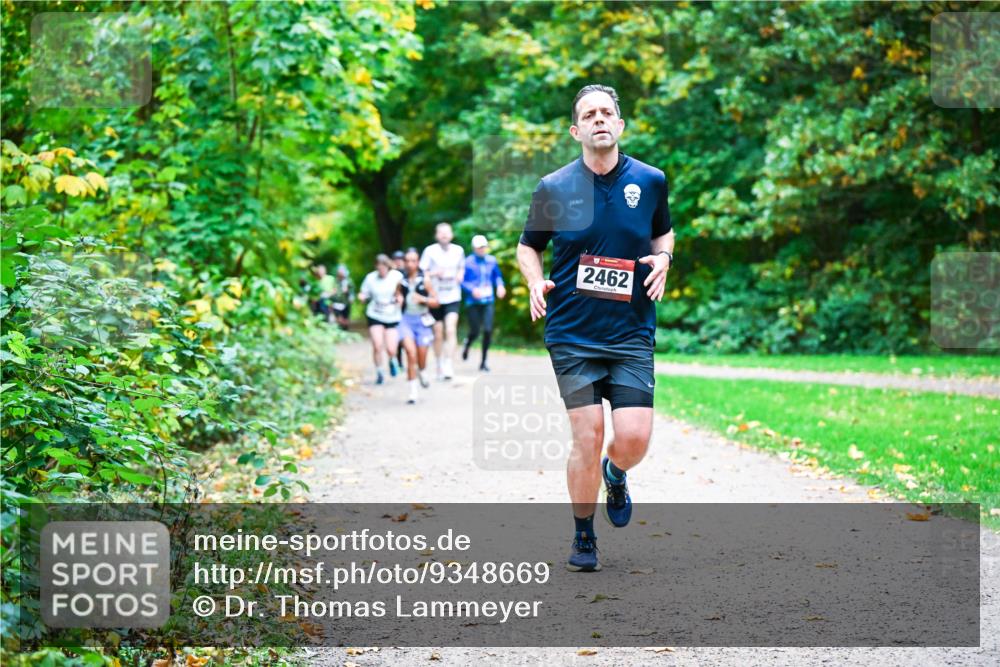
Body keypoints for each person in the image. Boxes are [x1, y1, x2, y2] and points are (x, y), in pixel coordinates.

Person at [516, 84, 674, 572]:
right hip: (572, 334)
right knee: (587, 434)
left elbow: (663, 232)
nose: (599, 119)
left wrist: (664, 258)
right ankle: (584, 535)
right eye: (589, 114)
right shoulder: (554, 187)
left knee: (634, 439)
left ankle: (616, 472)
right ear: (576, 130)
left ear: (620, 125)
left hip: (630, 332)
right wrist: (535, 281)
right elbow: (528, 246)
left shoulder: (650, 180)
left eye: (607, 112)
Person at [420, 223, 465, 380]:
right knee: (438, 333)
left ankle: (448, 363)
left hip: (452, 296)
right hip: (435, 298)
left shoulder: (458, 250)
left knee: (451, 329)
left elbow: (461, 267)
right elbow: (422, 273)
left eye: (447, 232)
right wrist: (434, 273)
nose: (444, 235)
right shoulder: (429, 251)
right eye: (441, 232)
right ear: (436, 235)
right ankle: (439, 363)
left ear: (452, 234)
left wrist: (460, 274)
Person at [397, 248, 439, 403]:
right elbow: (397, 294)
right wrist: (398, 299)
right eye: (407, 261)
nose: (410, 264)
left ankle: (422, 370)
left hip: (422, 321)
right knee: (410, 353)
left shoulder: (425, 280)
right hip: (405, 321)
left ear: (418, 262)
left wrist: (423, 299)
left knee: (421, 356)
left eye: (413, 261)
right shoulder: (401, 280)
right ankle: (413, 392)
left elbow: (436, 301)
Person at [461, 234, 506, 372]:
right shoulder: (467, 262)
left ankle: (483, 362)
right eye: (479, 247)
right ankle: (467, 344)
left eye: (484, 247)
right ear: (474, 248)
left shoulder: (492, 260)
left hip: (488, 300)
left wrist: (500, 286)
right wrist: (472, 290)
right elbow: (461, 281)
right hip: (473, 302)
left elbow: (497, 276)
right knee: (475, 331)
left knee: (487, 330)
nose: (482, 249)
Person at [357, 254, 404, 384]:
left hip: (392, 315)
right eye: (379, 267)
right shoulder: (370, 278)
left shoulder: (397, 276)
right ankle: (379, 372)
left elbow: (402, 293)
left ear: (388, 266)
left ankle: (392, 360)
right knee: (377, 345)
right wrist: (361, 297)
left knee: (391, 349)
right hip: (375, 314)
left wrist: (400, 299)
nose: (381, 270)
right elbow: (363, 292)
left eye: (383, 267)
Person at [330, 264, 354, 330]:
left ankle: (345, 328)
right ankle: (340, 327)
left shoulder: (348, 281)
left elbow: (352, 291)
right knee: (338, 318)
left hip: (346, 302)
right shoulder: (335, 281)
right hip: (336, 302)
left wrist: (350, 296)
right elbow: (332, 291)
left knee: (345, 318)